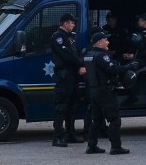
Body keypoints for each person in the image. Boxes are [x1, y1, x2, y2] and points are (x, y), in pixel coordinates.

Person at [83, 32, 130, 155]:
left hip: (93, 90)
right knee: (114, 118)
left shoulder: (88, 55)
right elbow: (112, 69)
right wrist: (128, 67)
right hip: (104, 90)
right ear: (99, 42)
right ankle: (116, 147)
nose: (108, 42)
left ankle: (91, 145)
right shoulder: (101, 56)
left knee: (97, 119)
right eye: (105, 40)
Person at [50, 13, 86, 147]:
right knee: (61, 106)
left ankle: (70, 134)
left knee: (71, 106)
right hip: (64, 75)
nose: (74, 25)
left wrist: (80, 64)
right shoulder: (58, 37)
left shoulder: (70, 37)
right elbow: (67, 56)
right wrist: (81, 64)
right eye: (72, 23)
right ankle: (58, 137)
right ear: (65, 23)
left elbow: (76, 53)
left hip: (73, 74)